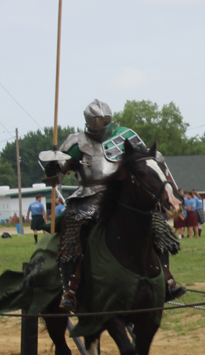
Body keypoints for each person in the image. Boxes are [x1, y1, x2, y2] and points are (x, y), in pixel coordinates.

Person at [45, 99, 185, 312]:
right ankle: (70, 290)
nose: (101, 125)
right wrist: (54, 167)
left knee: (156, 223)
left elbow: (148, 158)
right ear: (89, 123)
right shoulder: (77, 142)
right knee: (72, 231)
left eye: (104, 120)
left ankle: (167, 279)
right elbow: (58, 175)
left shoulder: (125, 135)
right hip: (88, 196)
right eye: (97, 121)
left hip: (122, 194)